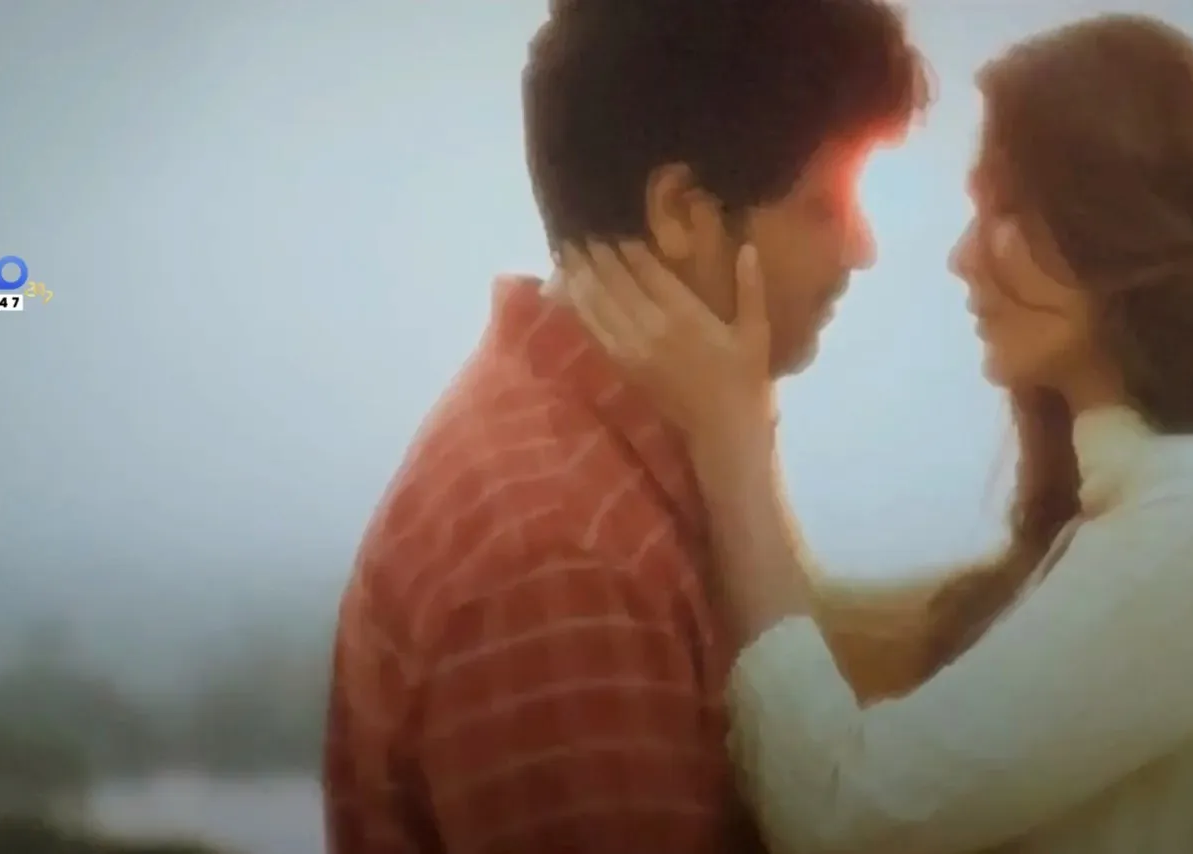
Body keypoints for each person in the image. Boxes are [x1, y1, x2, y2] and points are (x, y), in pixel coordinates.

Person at [560, 12, 1193, 854]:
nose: (963, 257)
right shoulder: (1171, 512)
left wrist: (733, 442)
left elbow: (844, 811)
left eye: (1007, 208)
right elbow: (829, 658)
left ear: (1123, 222)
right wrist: (740, 408)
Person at [320, 2, 929, 853]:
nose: (862, 250)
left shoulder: (615, 456)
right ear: (682, 211)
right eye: (825, 205)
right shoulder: (561, 562)